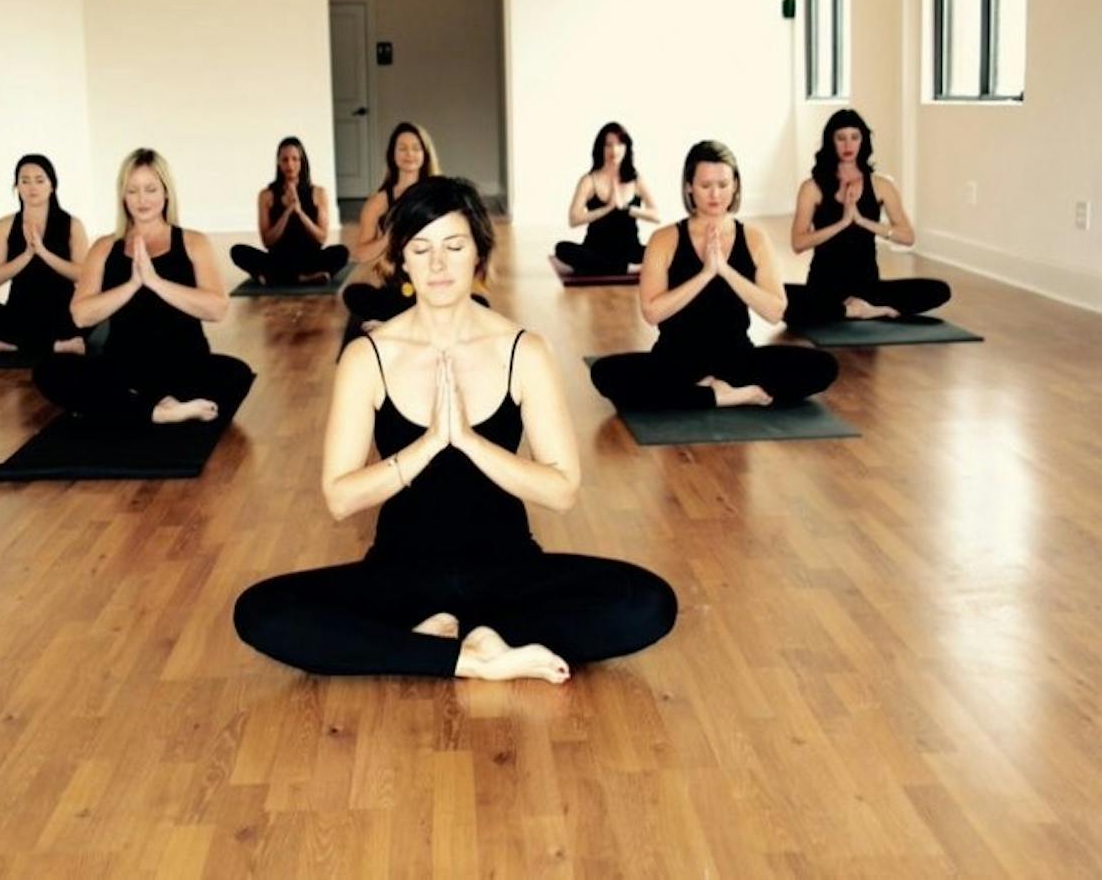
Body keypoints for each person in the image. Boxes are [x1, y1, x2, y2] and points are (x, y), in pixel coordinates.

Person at [235, 177, 677, 682]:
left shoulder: (523, 350)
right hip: (400, 577)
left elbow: (561, 490)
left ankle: (443, 643)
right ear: (401, 260)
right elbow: (340, 497)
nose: (438, 264)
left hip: (508, 572)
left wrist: (469, 441)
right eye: (421, 249)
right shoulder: (368, 357)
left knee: (650, 602)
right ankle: (474, 656)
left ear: (479, 255)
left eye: (454, 246)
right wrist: (427, 447)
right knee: (260, 611)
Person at [590, 141, 838, 410]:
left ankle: (701, 394)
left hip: (737, 361)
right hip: (676, 361)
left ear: (735, 186)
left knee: (823, 366)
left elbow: (775, 311)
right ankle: (725, 396)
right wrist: (706, 274)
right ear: (689, 187)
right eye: (705, 186)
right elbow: (651, 312)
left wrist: (725, 270)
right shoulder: (664, 239)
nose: (715, 195)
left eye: (723, 185)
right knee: (606, 374)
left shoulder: (755, 239)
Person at [33, 149, 253, 425]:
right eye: (133, 191)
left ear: (166, 192)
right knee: (49, 370)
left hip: (185, 365)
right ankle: (160, 411)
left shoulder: (193, 242)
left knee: (238, 374)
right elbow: (81, 314)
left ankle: (137, 409)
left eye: (150, 189)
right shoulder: (104, 247)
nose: (142, 199)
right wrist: (133, 284)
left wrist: (156, 282)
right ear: (123, 197)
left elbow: (217, 308)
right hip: (124, 367)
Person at [786, 109, 952, 323]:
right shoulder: (812, 187)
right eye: (841, 138)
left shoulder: (882, 185)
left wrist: (863, 221)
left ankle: (856, 309)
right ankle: (855, 311)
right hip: (825, 287)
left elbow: (907, 237)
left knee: (939, 290)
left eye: (854, 138)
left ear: (863, 141)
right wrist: (843, 222)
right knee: (779, 297)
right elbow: (798, 243)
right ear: (831, 141)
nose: (848, 145)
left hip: (868, 287)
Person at [0, 154, 89, 356]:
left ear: (52, 185)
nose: (32, 187)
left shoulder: (72, 224)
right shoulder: (4, 226)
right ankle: (57, 346)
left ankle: (11, 344)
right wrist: (27, 254)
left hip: (61, 312)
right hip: (21, 313)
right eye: (24, 181)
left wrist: (43, 253)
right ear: (16, 187)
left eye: (39, 180)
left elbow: (82, 275)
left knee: (90, 314)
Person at [341, 122, 441, 330]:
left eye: (416, 148)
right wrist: (389, 237)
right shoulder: (379, 202)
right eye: (402, 148)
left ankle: (395, 325)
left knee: (478, 303)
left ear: (425, 153)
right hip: (397, 286)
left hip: (431, 283)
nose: (409, 154)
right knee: (353, 294)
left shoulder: (439, 193)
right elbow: (360, 254)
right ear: (392, 155)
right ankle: (414, 324)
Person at [230, 137, 350, 285]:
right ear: (278, 163)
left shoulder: (318, 193)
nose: (290, 165)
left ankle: (275, 278)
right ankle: (304, 278)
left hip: (310, 258)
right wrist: (287, 212)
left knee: (342, 252)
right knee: (237, 251)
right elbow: (267, 241)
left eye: (295, 159)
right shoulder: (266, 195)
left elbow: (321, 238)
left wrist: (299, 212)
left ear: (302, 162)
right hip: (279, 258)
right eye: (285, 160)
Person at [554, 122, 660, 274]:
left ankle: (615, 267)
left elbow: (656, 215)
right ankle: (628, 269)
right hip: (597, 250)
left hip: (630, 250)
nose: (614, 150)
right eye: (608, 145)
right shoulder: (589, 180)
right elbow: (574, 219)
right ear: (601, 149)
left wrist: (626, 209)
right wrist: (607, 209)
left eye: (619, 144)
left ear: (626, 148)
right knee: (562, 248)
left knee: (668, 251)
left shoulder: (635, 180)